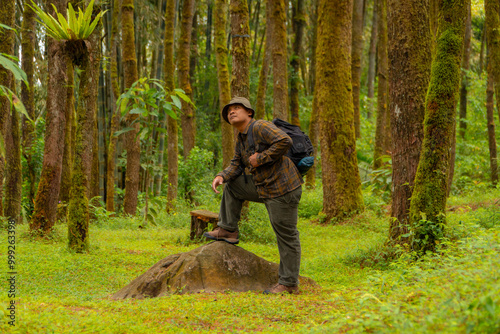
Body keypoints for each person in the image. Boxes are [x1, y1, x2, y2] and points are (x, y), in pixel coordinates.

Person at [204, 97, 303, 295]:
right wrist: (221, 176)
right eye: (229, 110)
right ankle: (228, 230)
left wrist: (261, 158)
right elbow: (237, 164)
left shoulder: (260, 127)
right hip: (263, 187)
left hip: (283, 189)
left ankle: (289, 283)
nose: (232, 112)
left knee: (286, 236)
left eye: (237, 108)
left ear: (249, 112)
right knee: (232, 185)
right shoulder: (241, 137)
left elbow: (285, 140)